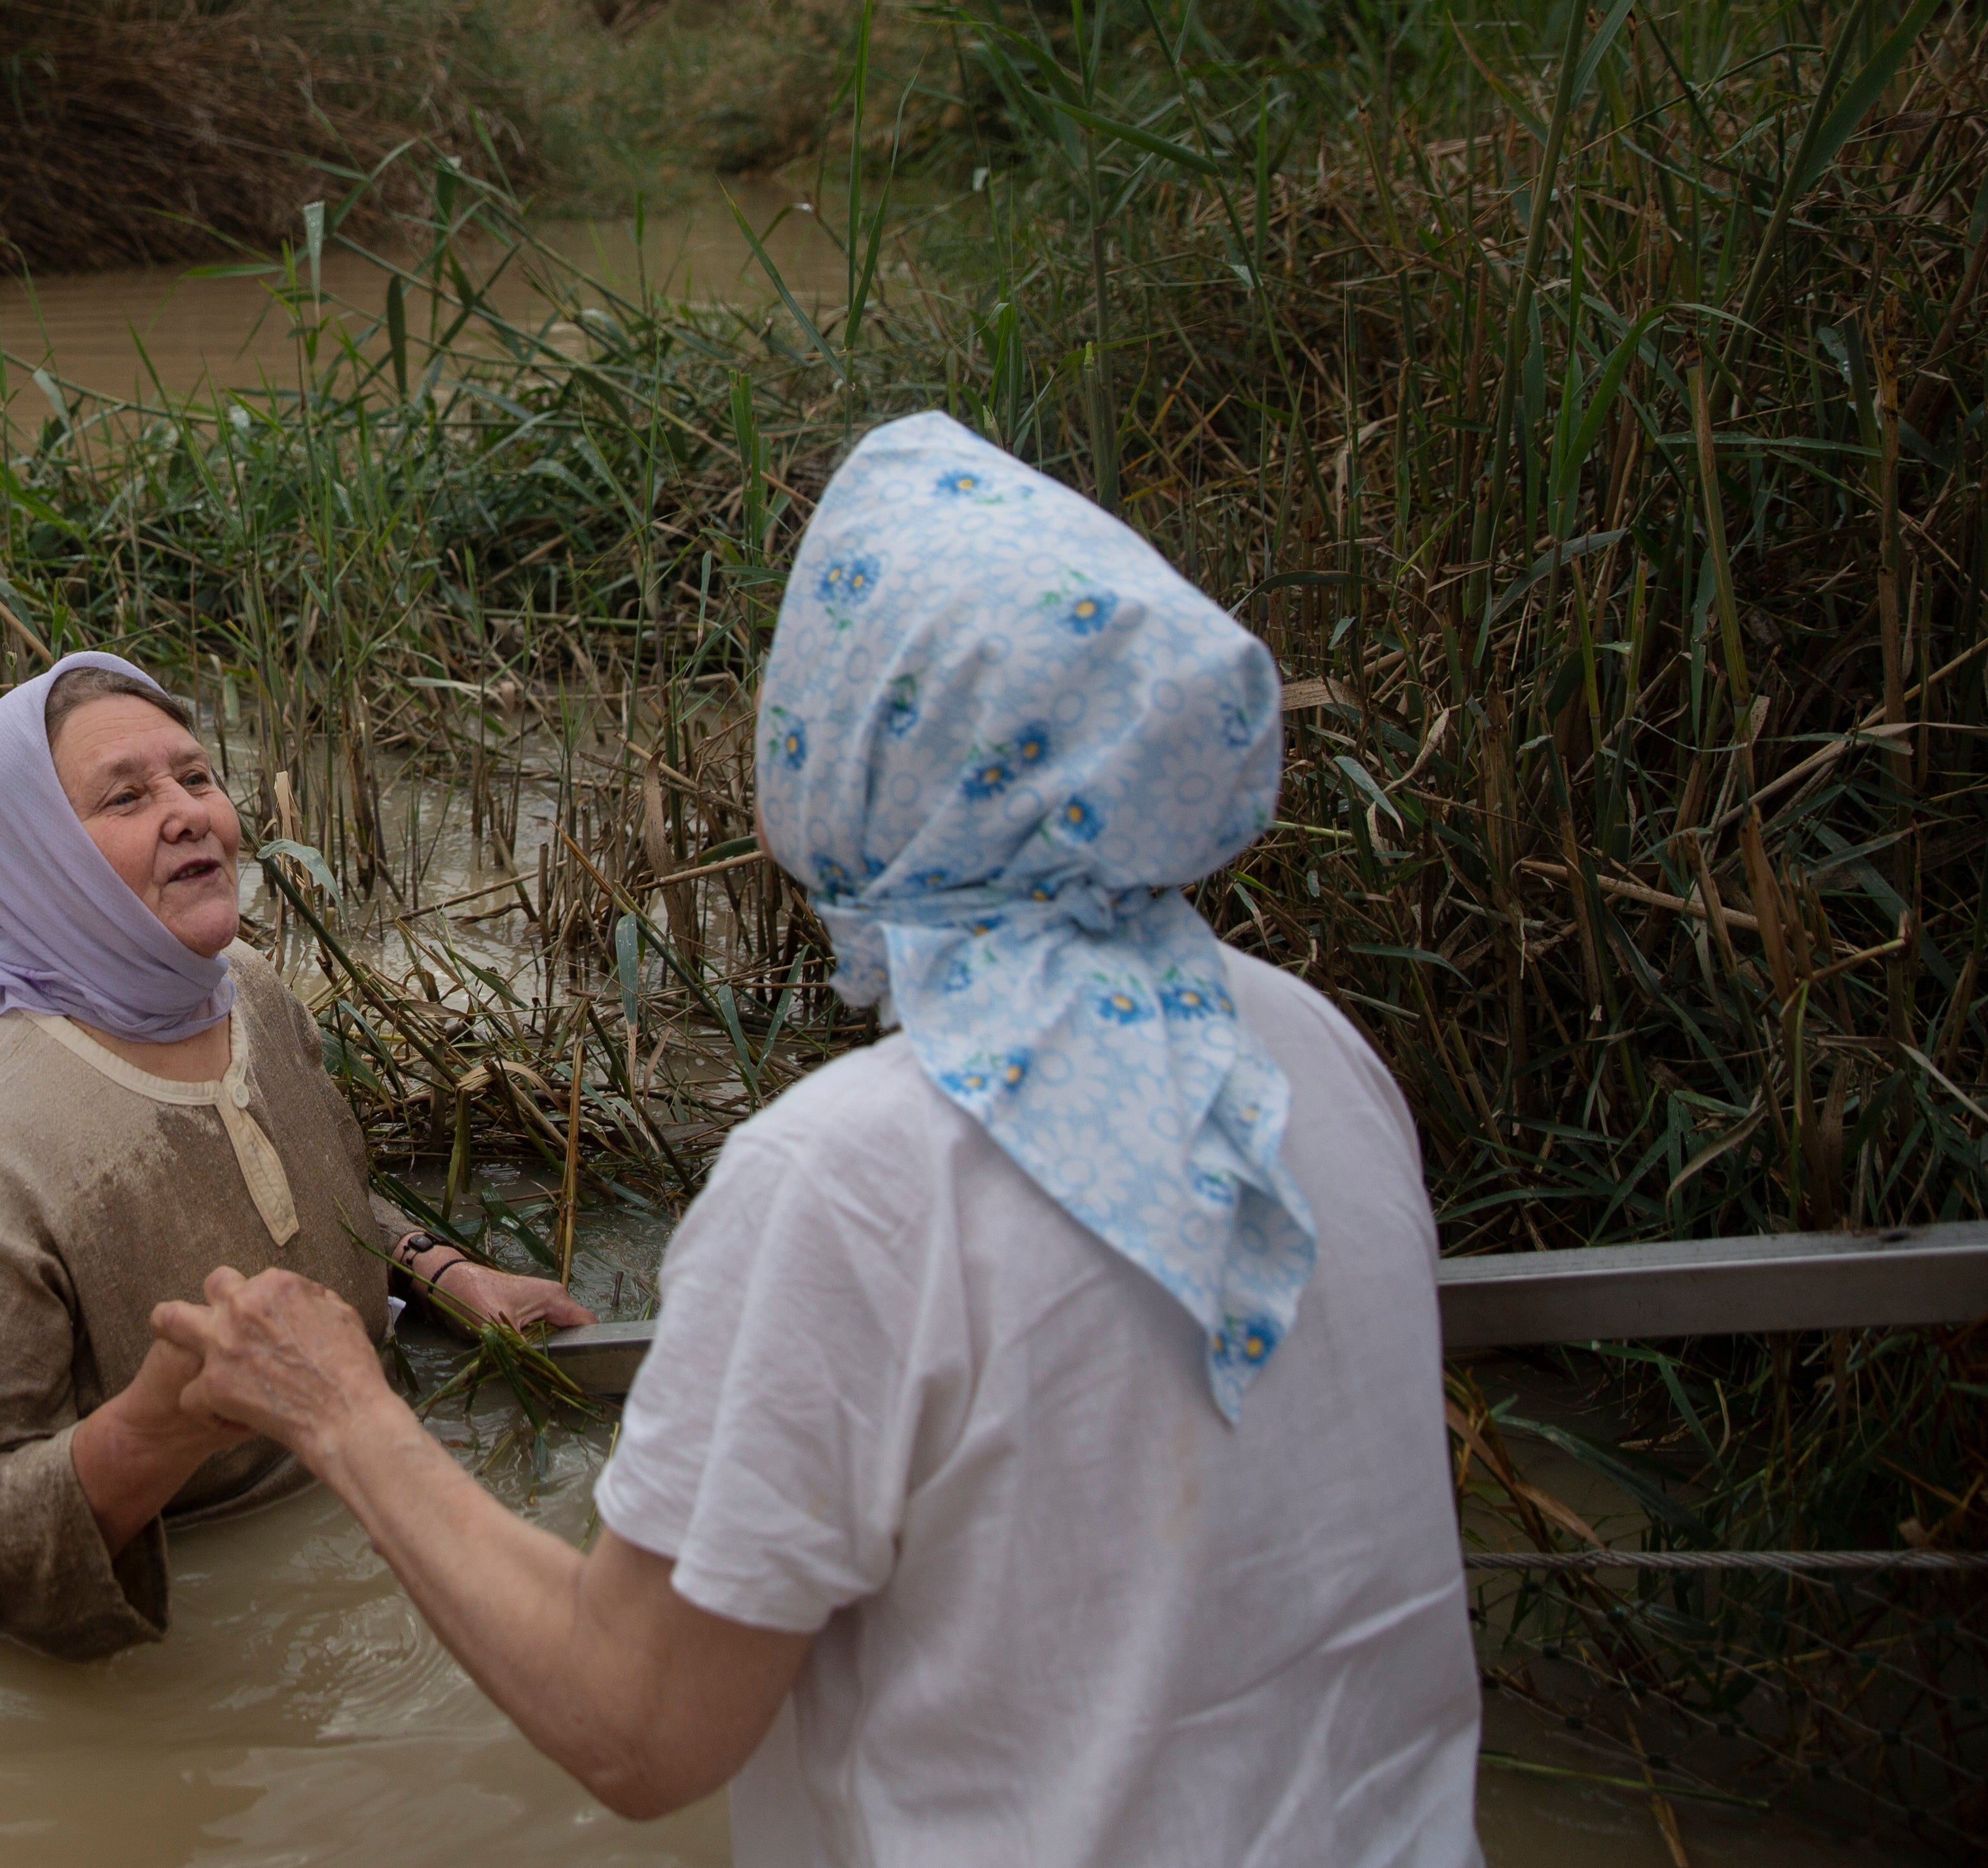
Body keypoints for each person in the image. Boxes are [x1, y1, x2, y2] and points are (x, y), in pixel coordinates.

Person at [158, 412, 1485, 1864]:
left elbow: (639, 1725)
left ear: (846, 747)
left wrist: (347, 1412)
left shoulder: (850, 1176)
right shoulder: (1310, 1050)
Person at [0, 652, 587, 1660]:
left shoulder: (241, 987)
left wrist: (446, 1275)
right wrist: (167, 1422)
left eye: (194, 778)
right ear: (34, 853)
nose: (187, 813)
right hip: (198, 1625)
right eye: (125, 797)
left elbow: (290, 1190)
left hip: (365, 1534)